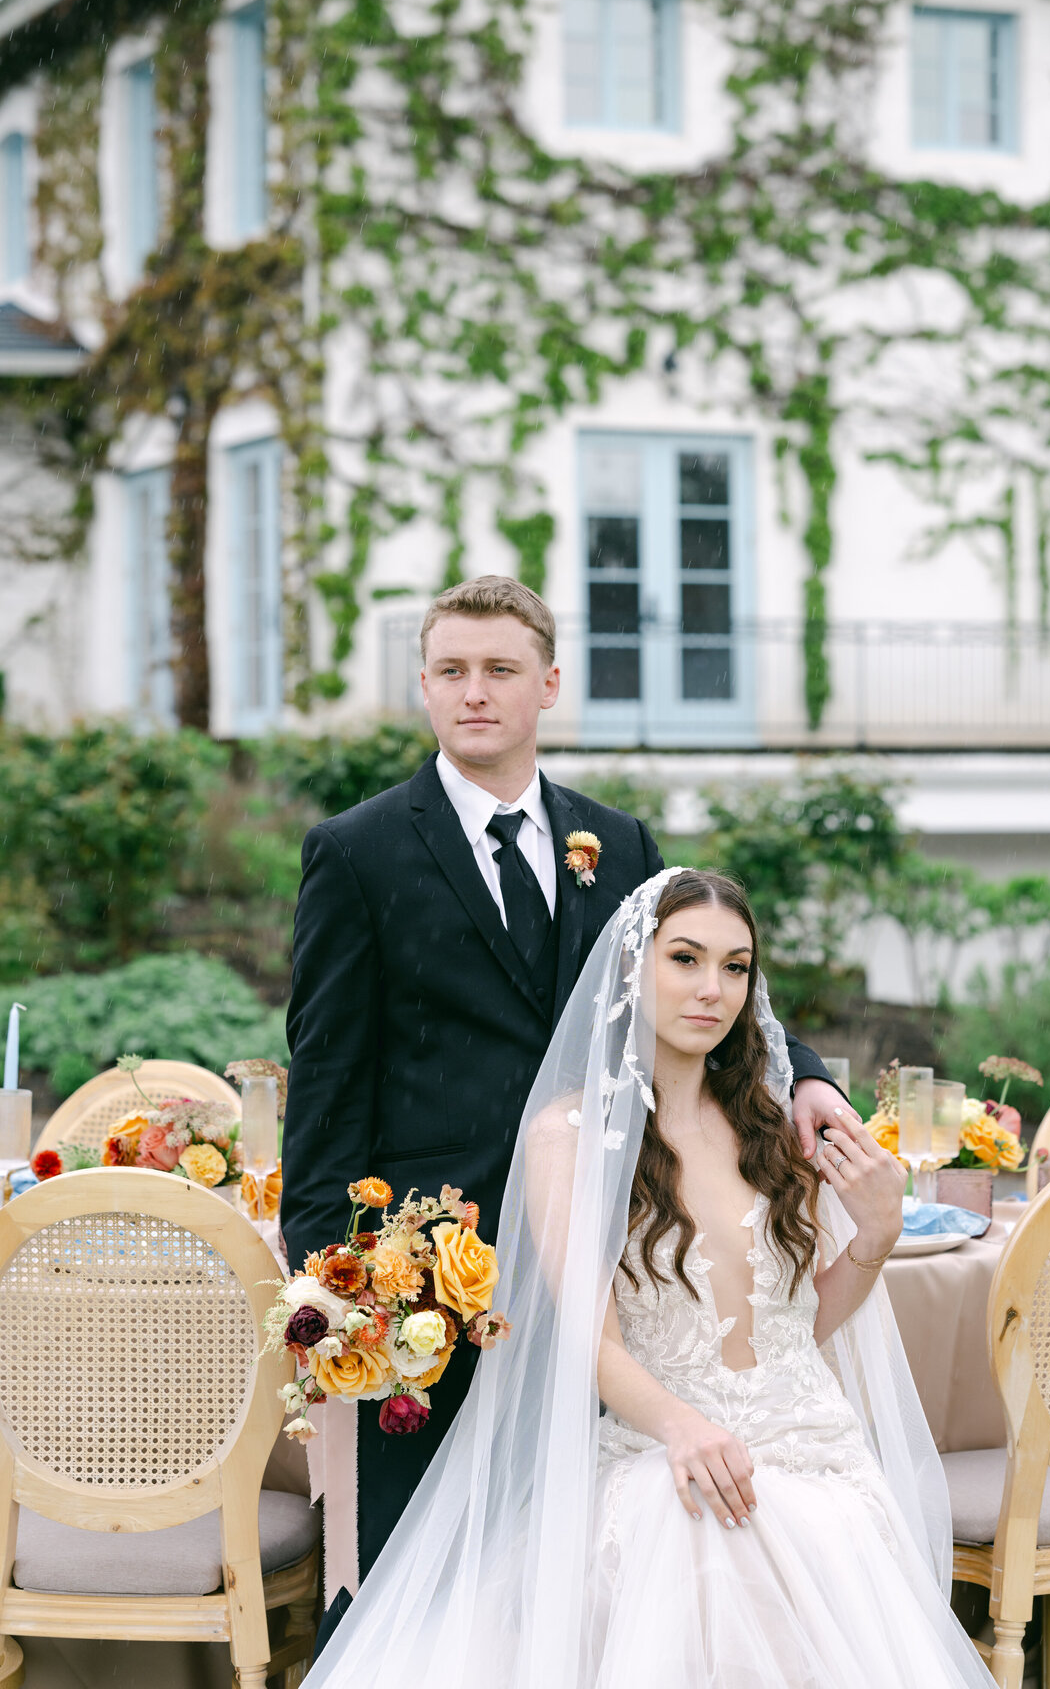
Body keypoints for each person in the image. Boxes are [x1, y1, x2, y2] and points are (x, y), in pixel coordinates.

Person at [280, 576, 851, 1611]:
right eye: (451, 671)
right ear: (424, 686)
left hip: (610, 1255)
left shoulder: (617, 843)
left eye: (500, 670)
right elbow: (324, 1075)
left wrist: (804, 1072)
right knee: (421, 1573)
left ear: (549, 684)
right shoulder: (355, 852)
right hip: (434, 1277)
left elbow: (697, 974)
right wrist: (332, 1283)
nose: (475, 692)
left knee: (588, 1567)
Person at [304, 868, 996, 1689]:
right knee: (704, 1545)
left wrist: (877, 1235)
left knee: (818, 1553)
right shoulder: (572, 1136)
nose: (713, 989)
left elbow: (789, 1330)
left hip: (813, 1449)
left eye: (735, 967)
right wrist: (684, 1428)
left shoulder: (773, 1127)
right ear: (634, 968)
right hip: (666, 1446)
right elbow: (587, 1344)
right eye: (686, 959)